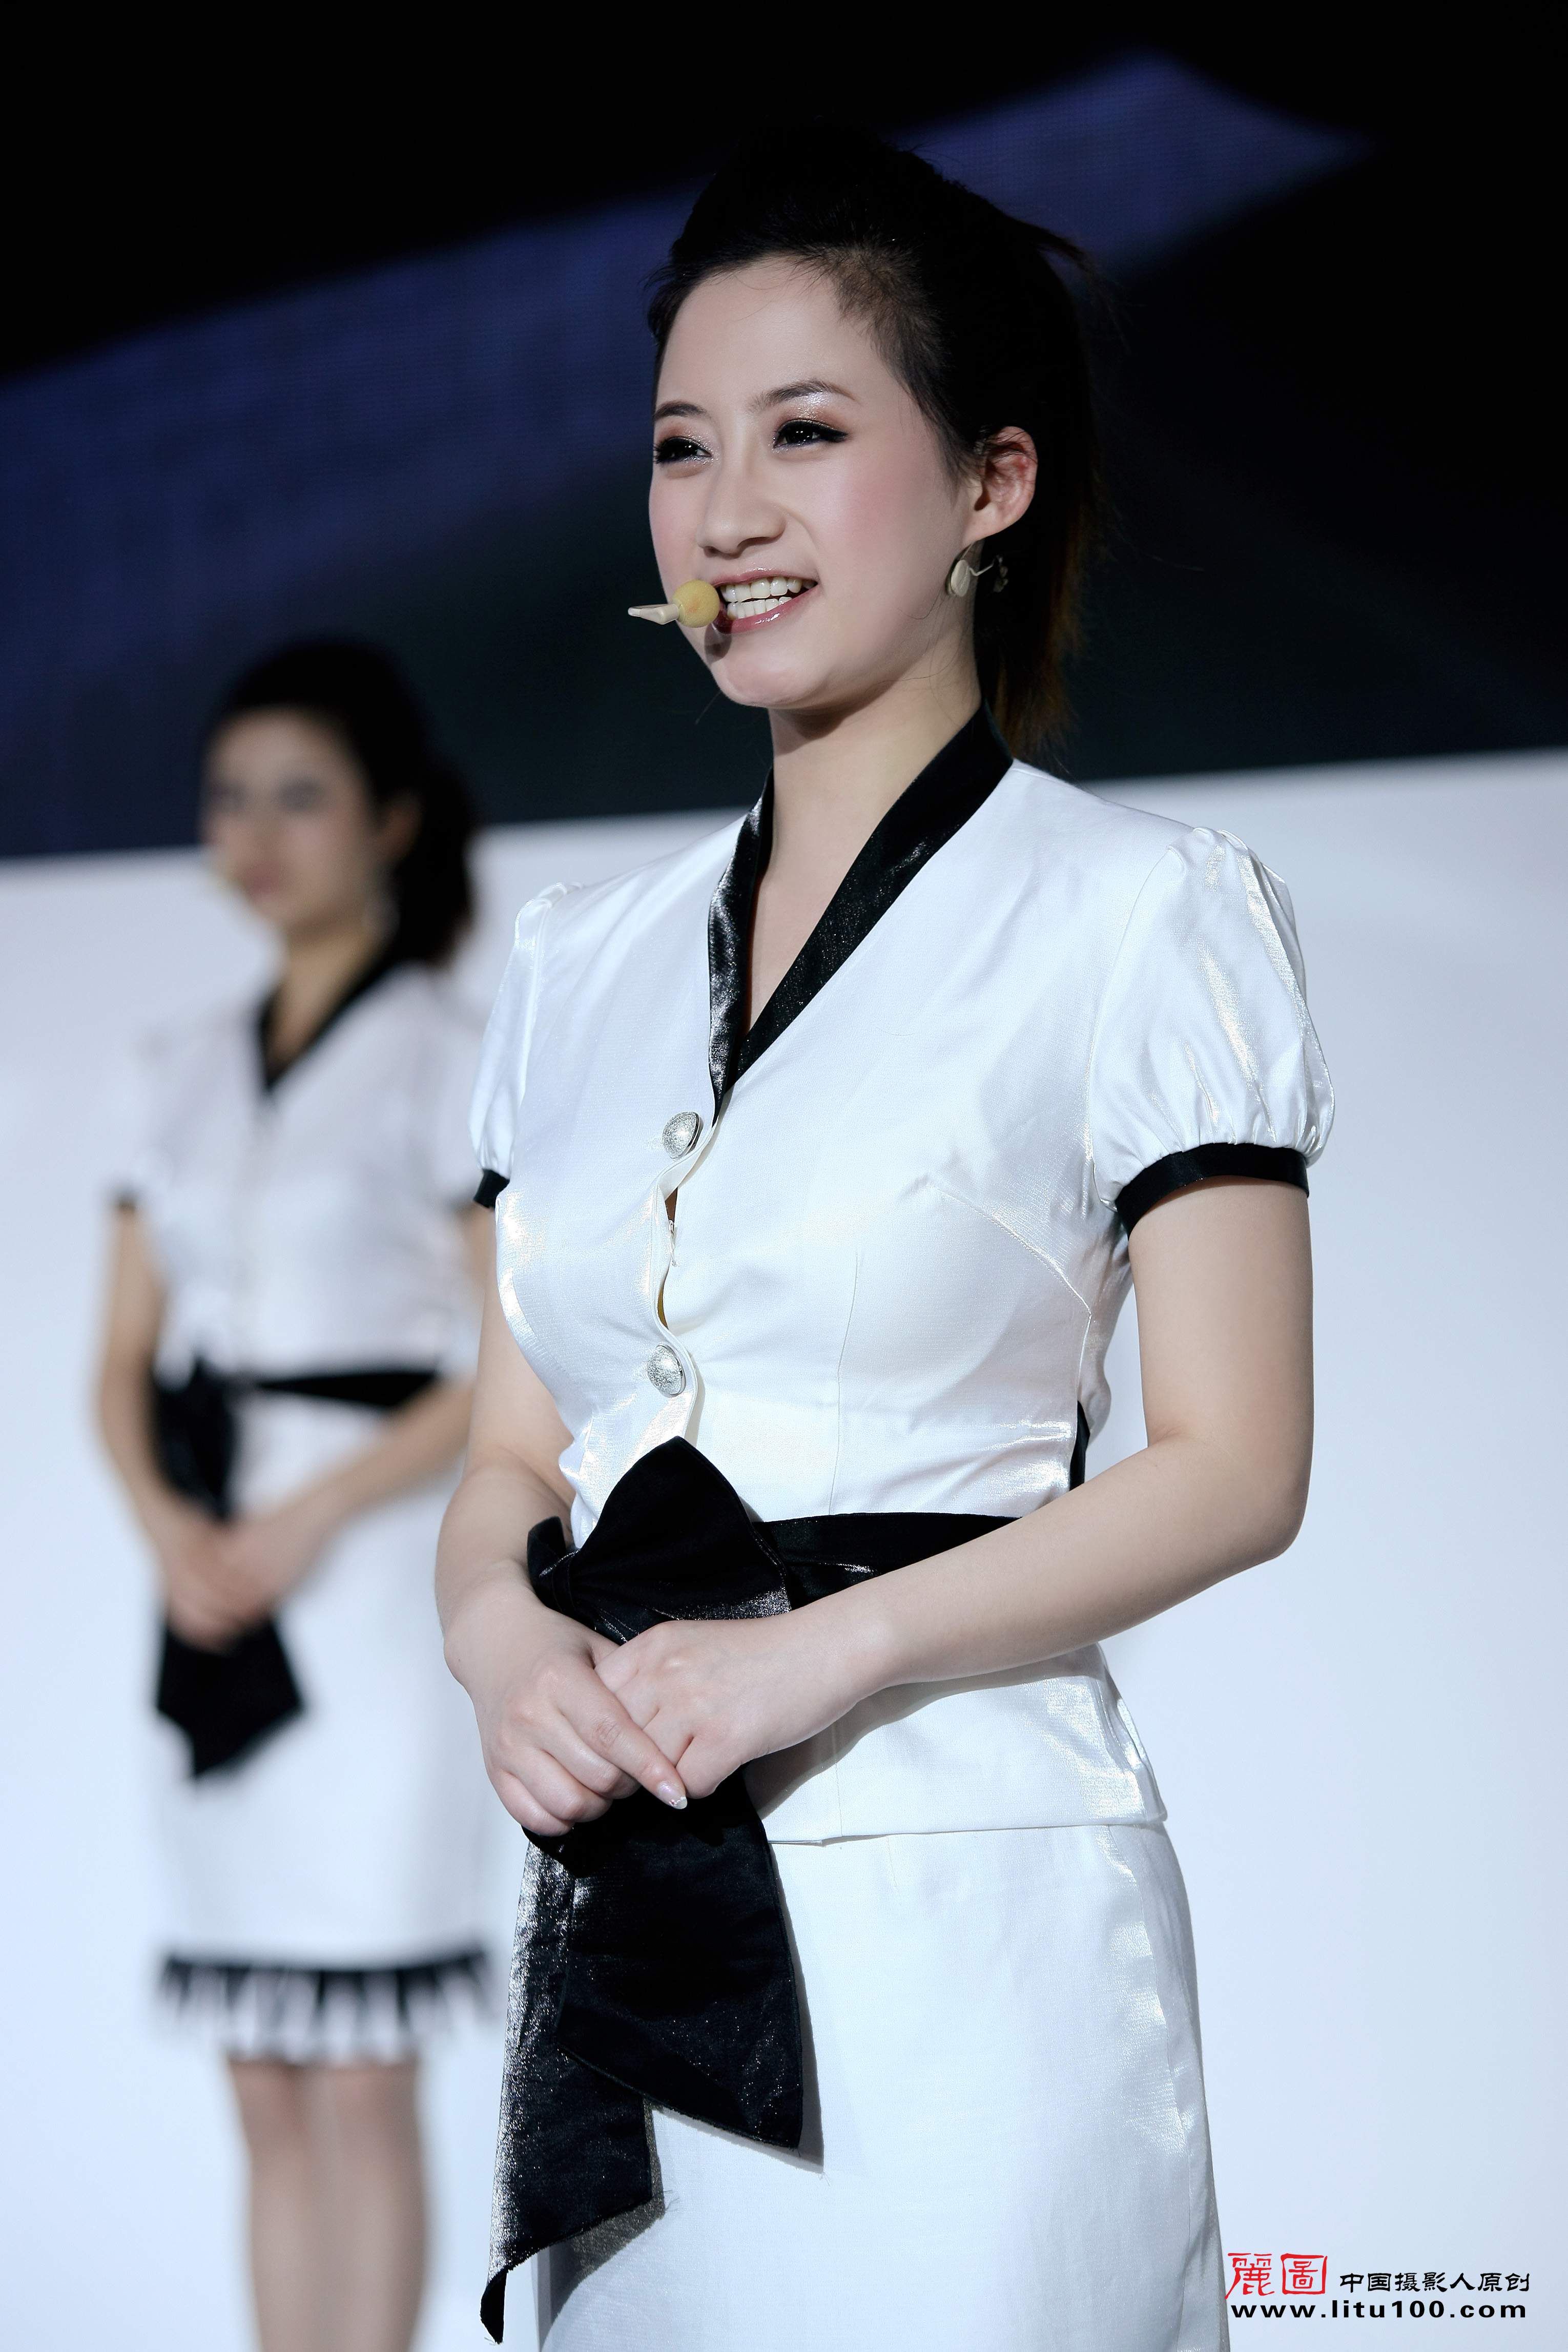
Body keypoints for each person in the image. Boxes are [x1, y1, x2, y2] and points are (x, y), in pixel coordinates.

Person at [439, 127, 1332, 2351]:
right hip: (626, 1929)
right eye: (682, 447)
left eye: (808, 435)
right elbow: (511, 1450)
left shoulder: (1140, 913)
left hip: (966, 1925)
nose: (725, 513)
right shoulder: (570, 960)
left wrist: (816, 1655)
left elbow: (1237, 1465)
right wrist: (497, 1645)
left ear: (991, 485)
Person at [97, 641, 495, 2352]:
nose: (255, 835)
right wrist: (171, 1533)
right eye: (230, 799)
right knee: (259, 2066)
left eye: (300, 797)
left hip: (375, 1577)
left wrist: (318, 1512)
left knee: (358, 2064)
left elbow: (511, 1362)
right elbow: (118, 1363)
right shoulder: (173, 1065)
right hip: (211, 1575)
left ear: (392, 817)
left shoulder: (448, 1054)